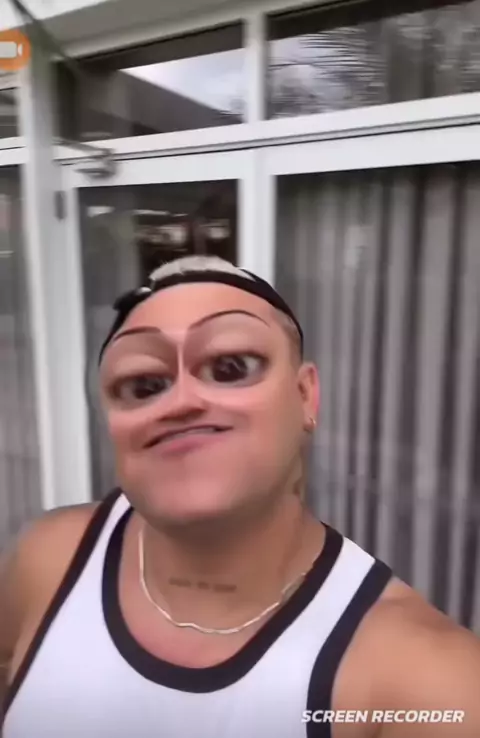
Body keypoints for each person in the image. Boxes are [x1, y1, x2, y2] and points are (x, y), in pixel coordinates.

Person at [1, 255, 479, 738]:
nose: (181, 401)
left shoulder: (432, 686)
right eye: (144, 384)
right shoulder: (50, 560)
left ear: (305, 395)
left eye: (231, 367)